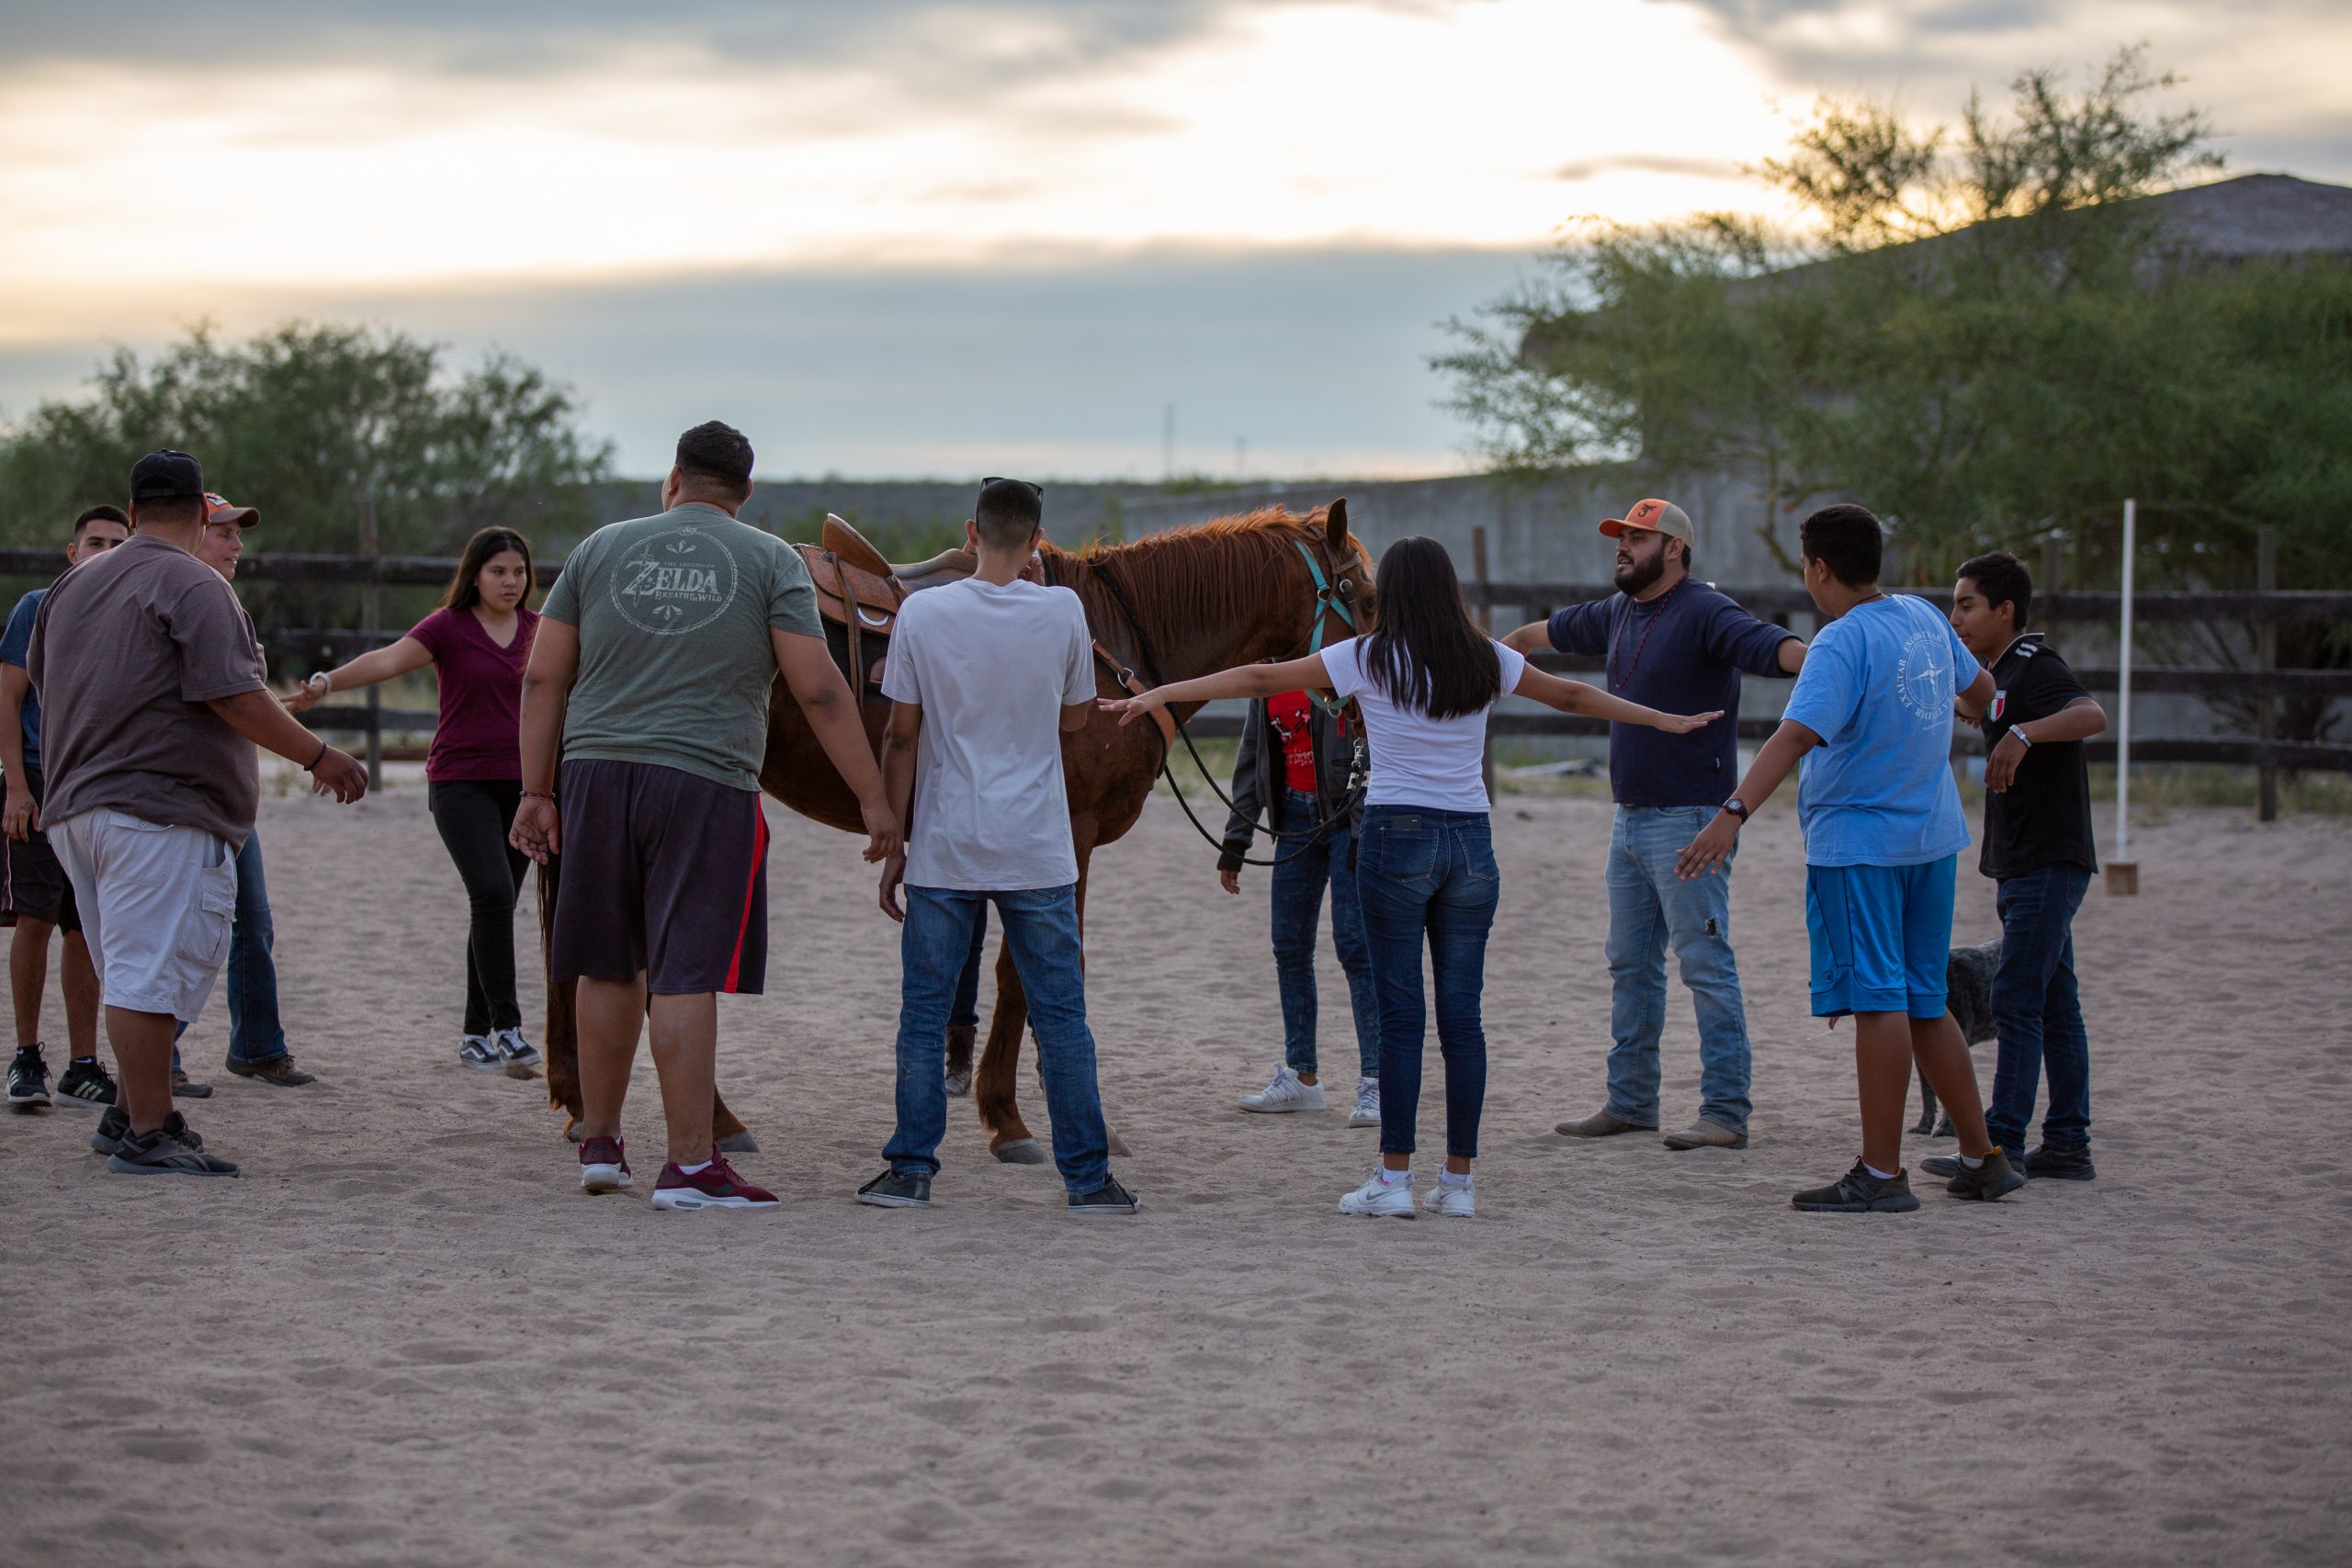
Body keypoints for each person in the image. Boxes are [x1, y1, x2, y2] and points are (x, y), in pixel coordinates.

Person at [1108, 536, 1720, 1219]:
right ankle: (1458, 1182)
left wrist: (1159, 692)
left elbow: (1257, 678)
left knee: (1402, 1017)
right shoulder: (1484, 656)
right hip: (1471, 845)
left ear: (1391, 592)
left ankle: (1393, 1178)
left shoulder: (1367, 655)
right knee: (1464, 1020)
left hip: (1396, 839)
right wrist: (1662, 719)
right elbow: (1574, 695)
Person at [511, 421, 899, 1212]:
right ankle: (690, 1164)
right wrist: (872, 797)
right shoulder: (767, 561)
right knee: (685, 967)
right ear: (746, 492)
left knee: (606, 960)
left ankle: (602, 1140)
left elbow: (543, 678)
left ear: (674, 479)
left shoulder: (599, 548)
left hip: (595, 772)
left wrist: (535, 790)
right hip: (704, 779)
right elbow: (822, 690)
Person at [1675, 503, 2025, 1213]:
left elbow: (1795, 736)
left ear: (1819, 568)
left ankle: (1881, 1171)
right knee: (1927, 999)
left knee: (1878, 998)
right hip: (1932, 837)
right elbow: (1983, 693)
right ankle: (1981, 1155)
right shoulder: (1925, 617)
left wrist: (1731, 813)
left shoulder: (1840, 643)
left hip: (1861, 845)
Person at [29, 450, 367, 1177]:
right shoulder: (193, 582)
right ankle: (151, 1129)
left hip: (77, 809)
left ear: (132, 510)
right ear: (196, 511)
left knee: (131, 963)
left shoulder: (72, 586)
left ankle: (129, 1108)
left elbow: (46, 685)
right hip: (154, 807)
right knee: (150, 971)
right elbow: (235, 695)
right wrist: (318, 755)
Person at [857, 477, 1136, 1214]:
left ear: (970, 532)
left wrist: (895, 838)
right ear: (1038, 542)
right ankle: (1088, 1177)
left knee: (922, 1013)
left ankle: (911, 1167)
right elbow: (1077, 718)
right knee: (1063, 1016)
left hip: (948, 841)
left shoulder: (924, 611)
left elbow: (902, 733)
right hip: (1038, 845)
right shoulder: (1064, 610)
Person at [1505, 498, 1805, 1152]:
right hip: (1631, 816)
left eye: (1637, 537)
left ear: (1674, 548)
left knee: (1704, 962)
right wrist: (1508, 648)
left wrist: (1828, 661)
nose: (1623, 546)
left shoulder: (1705, 609)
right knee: (1630, 963)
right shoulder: (1617, 611)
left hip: (1692, 815)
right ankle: (1632, 1102)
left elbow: (1770, 647)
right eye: (1621, 536)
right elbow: (1545, 633)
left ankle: (1725, 1110)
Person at [287, 525, 542, 1074]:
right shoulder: (447, 627)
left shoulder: (540, 631)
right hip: (459, 783)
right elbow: (385, 660)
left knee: (494, 906)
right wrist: (324, 684)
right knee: (493, 892)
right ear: (475, 574)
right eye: (499, 571)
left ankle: (474, 1035)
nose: (511, 581)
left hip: (524, 789)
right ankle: (509, 1029)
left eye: (519, 571)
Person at [1923, 551, 2107, 1183]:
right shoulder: (2000, 678)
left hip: (2048, 860)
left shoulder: (2034, 663)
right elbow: (1994, 710)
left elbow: (2091, 714)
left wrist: (2024, 735)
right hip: (2026, 860)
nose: (1956, 617)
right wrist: (1989, 717)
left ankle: (1999, 1144)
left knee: (2016, 997)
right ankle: (2068, 1144)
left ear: (2006, 610)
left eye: (1967, 604)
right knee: (2057, 1002)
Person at [163, 491, 317, 1091]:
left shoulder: (223, 603)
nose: (237, 544)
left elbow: (229, 701)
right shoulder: (179, 601)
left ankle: (256, 1044)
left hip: (228, 798)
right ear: (193, 533)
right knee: (181, 927)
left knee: (251, 920)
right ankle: (162, 1055)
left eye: (237, 532)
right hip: (185, 798)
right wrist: (316, 754)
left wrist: (283, 708)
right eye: (224, 532)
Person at [2, 505, 129, 1111]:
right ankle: (26, 1056)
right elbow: (8, 697)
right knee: (35, 918)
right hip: (40, 781)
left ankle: (83, 1064)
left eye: (117, 542)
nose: (105, 550)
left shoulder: (130, 611)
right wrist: (15, 787)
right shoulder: (36, 607)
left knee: (88, 927)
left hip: (100, 787)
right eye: (95, 541)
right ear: (72, 552)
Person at [1216, 690, 1380, 1127]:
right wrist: (1237, 840)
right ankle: (1302, 1078)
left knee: (1356, 948)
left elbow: (1372, 750)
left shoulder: (1336, 665)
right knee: (1288, 947)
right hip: (1293, 819)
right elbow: (1253, 759)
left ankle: (1377, 1082)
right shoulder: (1267, 679)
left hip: (1347, 820)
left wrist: (1363, 831)